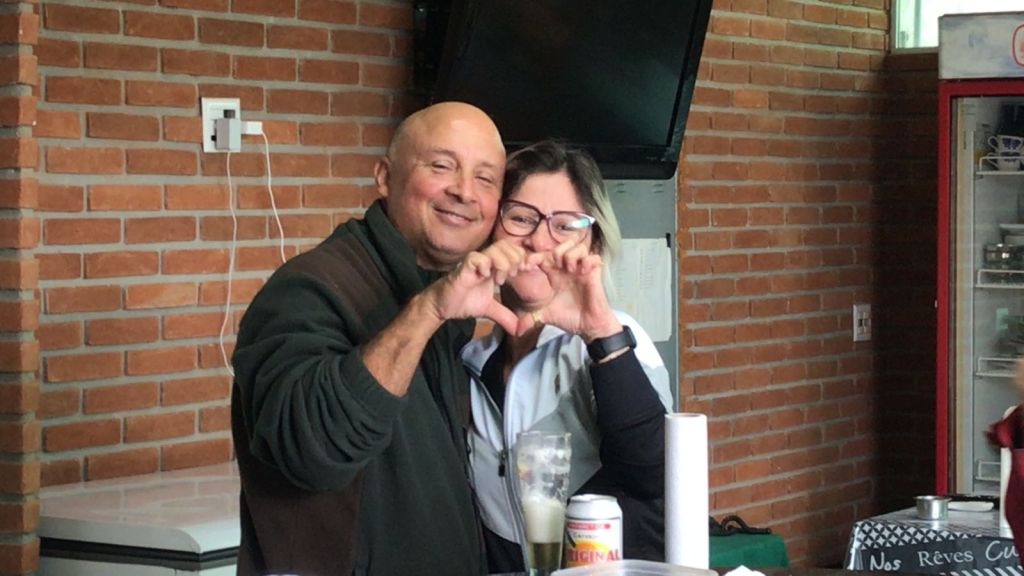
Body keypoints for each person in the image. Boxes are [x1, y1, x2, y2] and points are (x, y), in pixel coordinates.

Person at [230, 101, 537, 576]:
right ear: (384, 177)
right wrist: (428, 312)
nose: (464, 191)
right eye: (441, 166)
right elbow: (313, 452)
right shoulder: (308, 289)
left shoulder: (447, 301)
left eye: (485, 178)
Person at [460, 140, 674, 572]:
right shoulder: (470, 361)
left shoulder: (615, 342)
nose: (539, 240)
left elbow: (654, 476)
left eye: (565, 225)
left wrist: (600, 334)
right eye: (521, 218)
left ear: (592, 243)